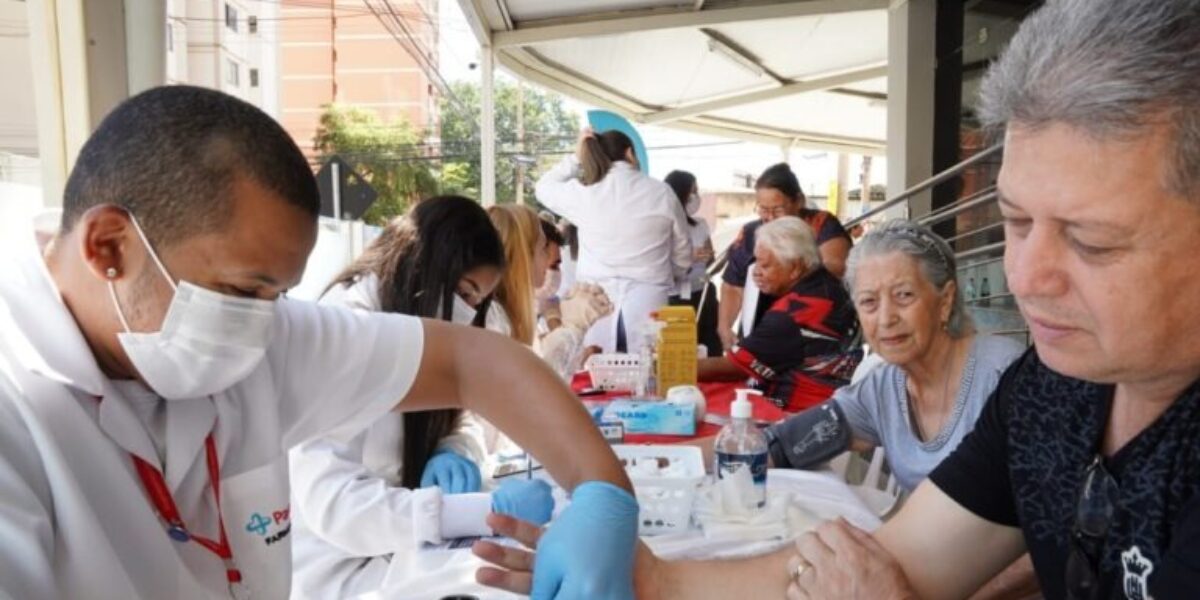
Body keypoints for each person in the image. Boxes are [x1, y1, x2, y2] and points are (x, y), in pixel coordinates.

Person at [474, 0, 1200, 597]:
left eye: (1092, 240)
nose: (1024, 278)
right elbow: (902, 558)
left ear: (945, 300)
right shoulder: (1048, 393)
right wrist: (650, 579)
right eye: (1013, 223)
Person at [0, 85, 639, 599]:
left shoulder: (264, 339)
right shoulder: (18, 412)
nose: (262, 327)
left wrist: (603, 497)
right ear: (108, 246)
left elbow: (477, 362)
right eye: (244, 291)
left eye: (278, 296)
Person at [288, 197, 556, 598]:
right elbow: (336, 507)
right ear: (428, 269)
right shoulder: (346, 332)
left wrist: (454, 449)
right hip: (338, 571)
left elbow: (459, 413)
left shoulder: (410, 322)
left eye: (477, 303)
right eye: (466, 294)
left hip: (401, 549)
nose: (468, 313)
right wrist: (476, 513)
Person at [536, 129, 692, 353]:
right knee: (649, 375)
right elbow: (683, 254)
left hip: (594, 303)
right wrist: (669, 273)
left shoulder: (586, 194)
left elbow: (543, 187)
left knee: (595, 374)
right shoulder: (662, 192)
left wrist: (576, 158)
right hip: (648, 300)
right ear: (630, 153)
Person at [697, 216, 862, 413]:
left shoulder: (794, 313)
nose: (756, 272)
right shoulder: (832, 286)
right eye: (756, 263)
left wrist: (669, 368)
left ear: (795, 268)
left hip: (799, 414)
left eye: (765, 265)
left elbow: (733, 368)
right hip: (837, 403)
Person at [718, 163, 852, 352]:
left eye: (778, 210)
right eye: (764, 210)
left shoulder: (821, 224)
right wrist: (724, 327)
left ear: (798, 201)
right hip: (761, 331)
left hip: (810, 331)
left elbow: (836, 268)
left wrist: (779, 276)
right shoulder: (750, 233)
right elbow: (732, 285)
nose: (771, 218)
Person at [664, 170, 722, 357]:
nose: (696, 197)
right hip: (675, 297)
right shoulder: (662, 224)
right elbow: (658, 264)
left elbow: (712, 263)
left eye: (697, 191)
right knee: (681, 351)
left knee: (710, 346)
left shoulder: (700, 224)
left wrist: (709, 258)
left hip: (703, 292)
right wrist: (687, 257)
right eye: (692, 191)